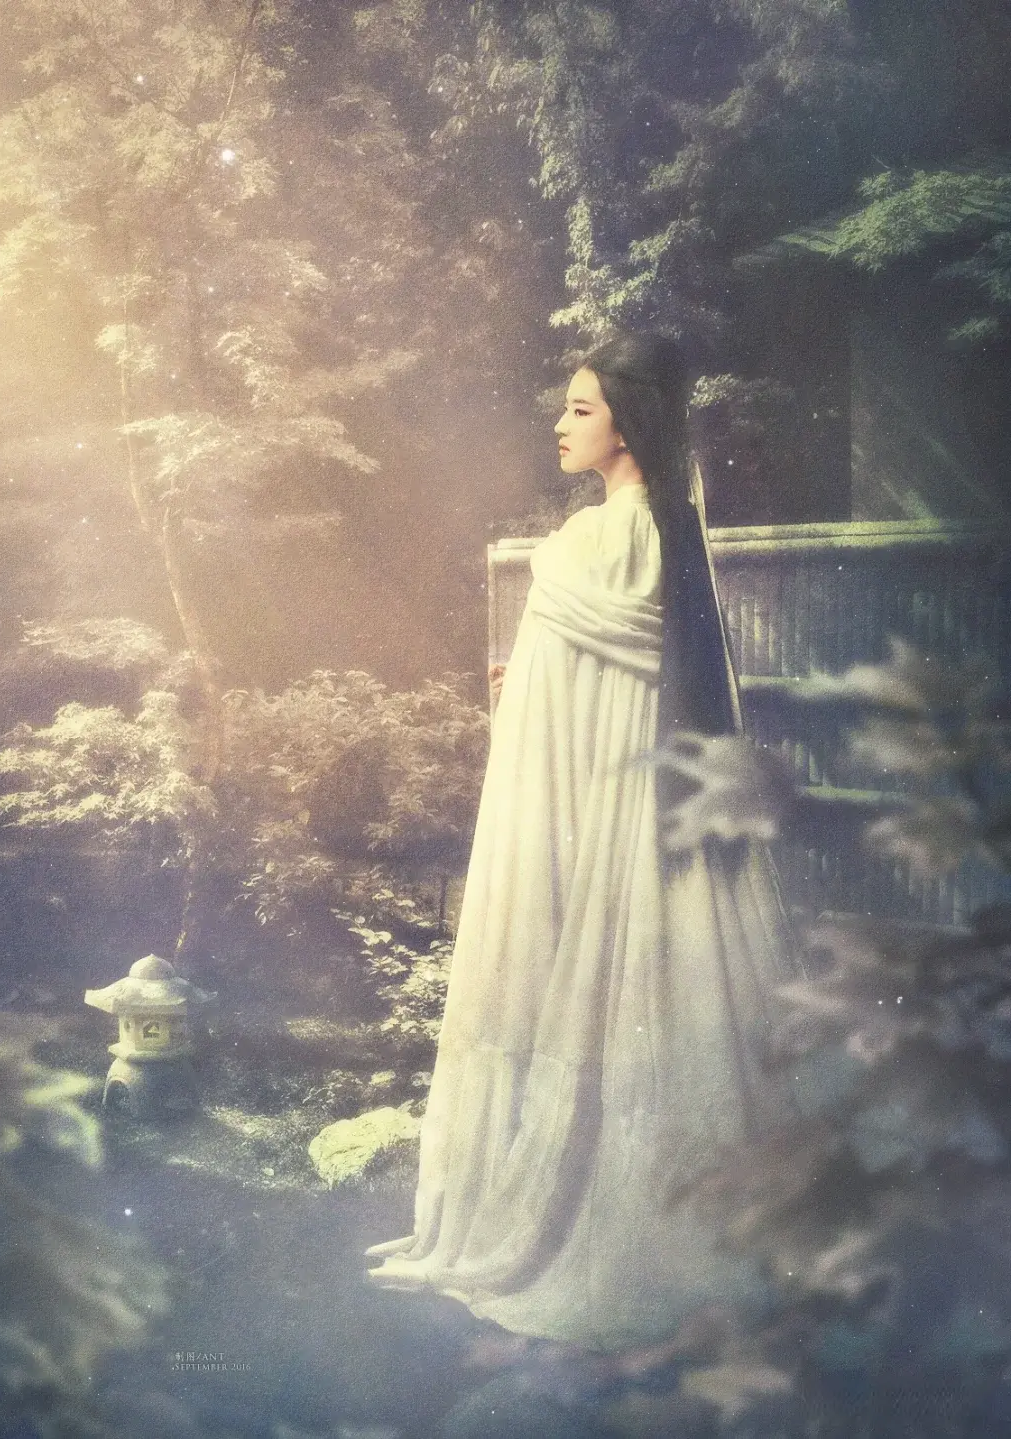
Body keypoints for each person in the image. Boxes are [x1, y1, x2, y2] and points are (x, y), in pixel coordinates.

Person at [365, 333, 800, 1350]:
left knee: (595, 999)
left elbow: (557, 719)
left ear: (628, 425)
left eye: (580, 408)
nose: (560, 425)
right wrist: (533, 675)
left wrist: (524, 682)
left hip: (604, 814)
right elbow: (646, 691)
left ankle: (587, 1229)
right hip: (661, 812)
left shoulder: (583, 544)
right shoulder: (674, 540)